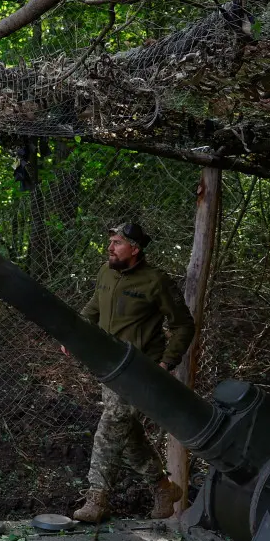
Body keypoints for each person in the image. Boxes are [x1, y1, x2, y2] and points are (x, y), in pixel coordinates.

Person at [66, 223, 194, 523]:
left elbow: (183, 325)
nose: (110, 248)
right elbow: (92, 310)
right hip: (108, 367)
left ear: (135, 249)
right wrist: (71, 335)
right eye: (109, 242)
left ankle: (96, 499)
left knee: (110, 428)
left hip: (140, 371)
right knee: (128, 436)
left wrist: (165, 364)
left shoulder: (156, 281)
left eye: (117, 243)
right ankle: (164, 488)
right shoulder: (106, 273)